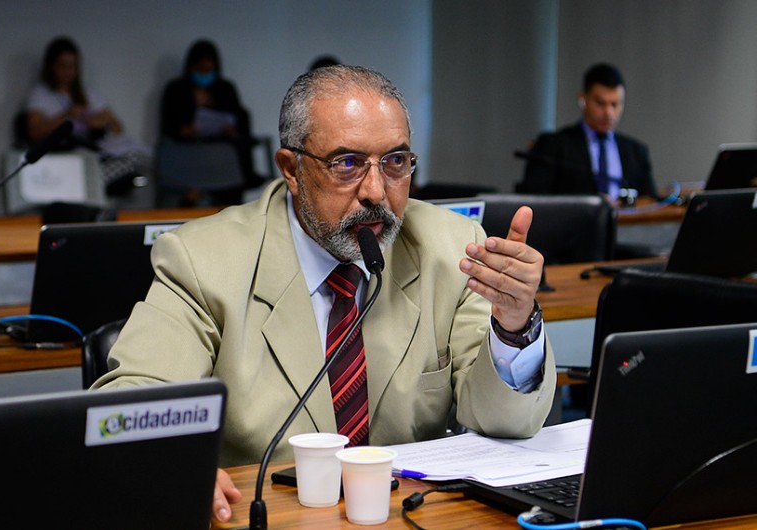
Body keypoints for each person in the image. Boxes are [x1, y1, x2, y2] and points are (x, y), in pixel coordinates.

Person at [93, 65, 556, 524]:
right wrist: (174, 462)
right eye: (347, 163)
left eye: (395, 162)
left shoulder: (450, 248)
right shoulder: (204, 260)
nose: (377, 192)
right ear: (291, 169)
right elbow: (131, 406)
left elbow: (504, 423)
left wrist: (515, 323)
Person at [24, 36, 151, 193]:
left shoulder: (88, 93)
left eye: (72, 66)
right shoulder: (41, 94)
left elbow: (118, 128)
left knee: (137, 156)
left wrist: (101, 121)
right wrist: (67, 115)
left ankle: (92, 188)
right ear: (51, 66)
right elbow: (34, 132)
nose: (68, 72)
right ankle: (89, 188)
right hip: (68, 157)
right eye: (63, 66)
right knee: (91, 168)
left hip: (97, 155)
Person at [519, 63, 657, 203]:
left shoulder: (636, 152)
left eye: (615, 104)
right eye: (600, 103)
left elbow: (651, 204)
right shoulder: (554, 146)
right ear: (583, 99)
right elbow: (534, 199)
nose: (608, 113)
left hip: (627, 223)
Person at [159, 38, 258, 205]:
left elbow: (239, 118)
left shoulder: (225, 89)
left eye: (209, 69)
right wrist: (187, 128)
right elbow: (169, 126)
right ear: (191, 67)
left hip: (220, 153)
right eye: (200, 69)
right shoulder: (176, 90)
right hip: (187, 152)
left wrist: (228, 128)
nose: (205, 74)